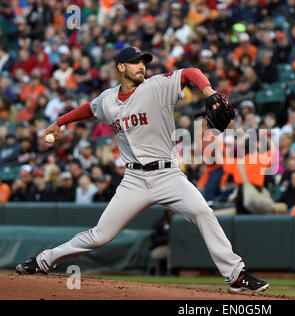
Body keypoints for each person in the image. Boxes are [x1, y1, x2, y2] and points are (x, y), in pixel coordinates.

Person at [15, 46, 269, 293]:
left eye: (144, 62)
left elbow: (190, 72)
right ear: (121, 67)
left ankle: (235, 275)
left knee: (203, 212)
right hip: (134, 180)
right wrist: (59, 122)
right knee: (99, 236)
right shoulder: (107, 100)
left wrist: (208, 91)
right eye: (136, 62)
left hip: (168, 174)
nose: (142, 66)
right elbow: (88, 109)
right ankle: (44, 261)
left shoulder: (157, 86)